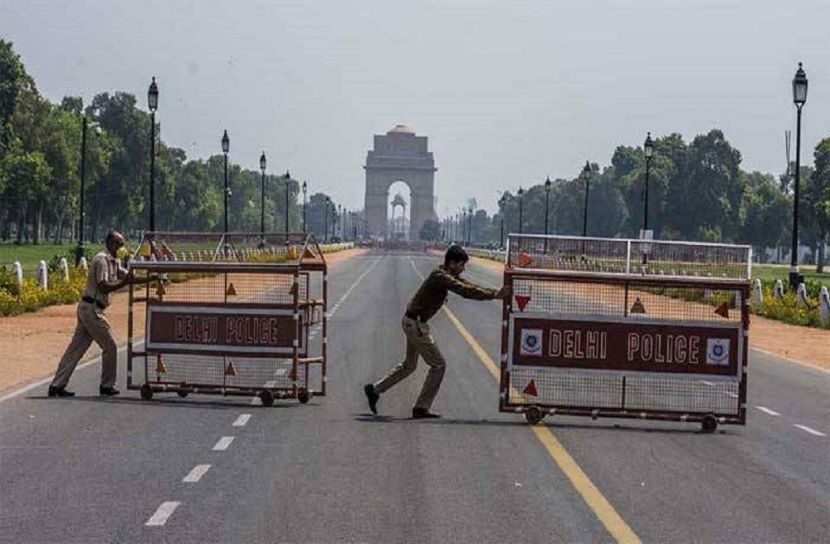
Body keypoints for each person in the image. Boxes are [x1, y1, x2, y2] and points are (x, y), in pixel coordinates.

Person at [364, 245, 509, 418]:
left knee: (409, 366)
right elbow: (464, 290)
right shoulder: (440, 276)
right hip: (416, 324)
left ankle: (375, 390)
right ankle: (421, 407)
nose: (463, 269)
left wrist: (494, 293)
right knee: (439, 365)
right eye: (462, 265)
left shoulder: (444, 275)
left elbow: (466, 284)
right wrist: (494, 295)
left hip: (413, 322)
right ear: (452, 263)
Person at [48, 231, 148, 397]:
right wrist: (124, 282)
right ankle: (106, 385)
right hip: (92, 309)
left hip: (90, 308)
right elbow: (103, 286)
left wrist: (151, 278)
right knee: (110, 345)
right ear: (109, 243)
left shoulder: (114, 261)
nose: (120, 247)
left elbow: (129, 277)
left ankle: (56, 385)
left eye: (122, 244)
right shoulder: (101, 260)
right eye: (118, 243)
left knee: (76, 349)